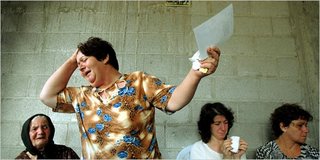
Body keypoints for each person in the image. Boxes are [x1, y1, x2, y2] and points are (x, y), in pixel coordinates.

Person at [39, 37, 220, 159]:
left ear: (104, 57)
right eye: (78, 65)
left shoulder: (138, 82)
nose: (80, 67)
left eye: (84, 60)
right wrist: (73, 60)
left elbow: (174, 101)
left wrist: (195, 74)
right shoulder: (82, 95)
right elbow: (47, 96)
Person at [16, 113, 80, 159]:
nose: (40, 132)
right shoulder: (21, 158)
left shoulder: (66, 153)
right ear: (27, 135)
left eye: (45, 127)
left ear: (51, 131)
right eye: (34, 129)